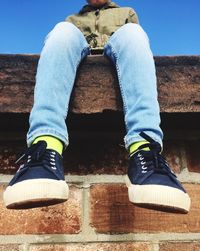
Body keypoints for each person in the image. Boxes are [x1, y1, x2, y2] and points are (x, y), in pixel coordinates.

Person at [3, 0, 191, 212]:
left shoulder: (126, 13)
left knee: (134, 34)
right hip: (80, 55)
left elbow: (138, 53)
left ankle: (145, 152)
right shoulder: (73, 21)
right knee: (61, 31)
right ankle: (45, 150)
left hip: (118, 54)